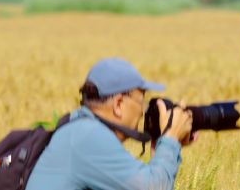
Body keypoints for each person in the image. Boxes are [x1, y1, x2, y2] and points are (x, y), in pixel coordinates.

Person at [25, 57, 193, 190]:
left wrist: (162, 146)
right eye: (141, 101)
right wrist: (170, 139)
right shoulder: (89, 137)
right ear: (119, 104)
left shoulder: (79, 129)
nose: (142, 111)